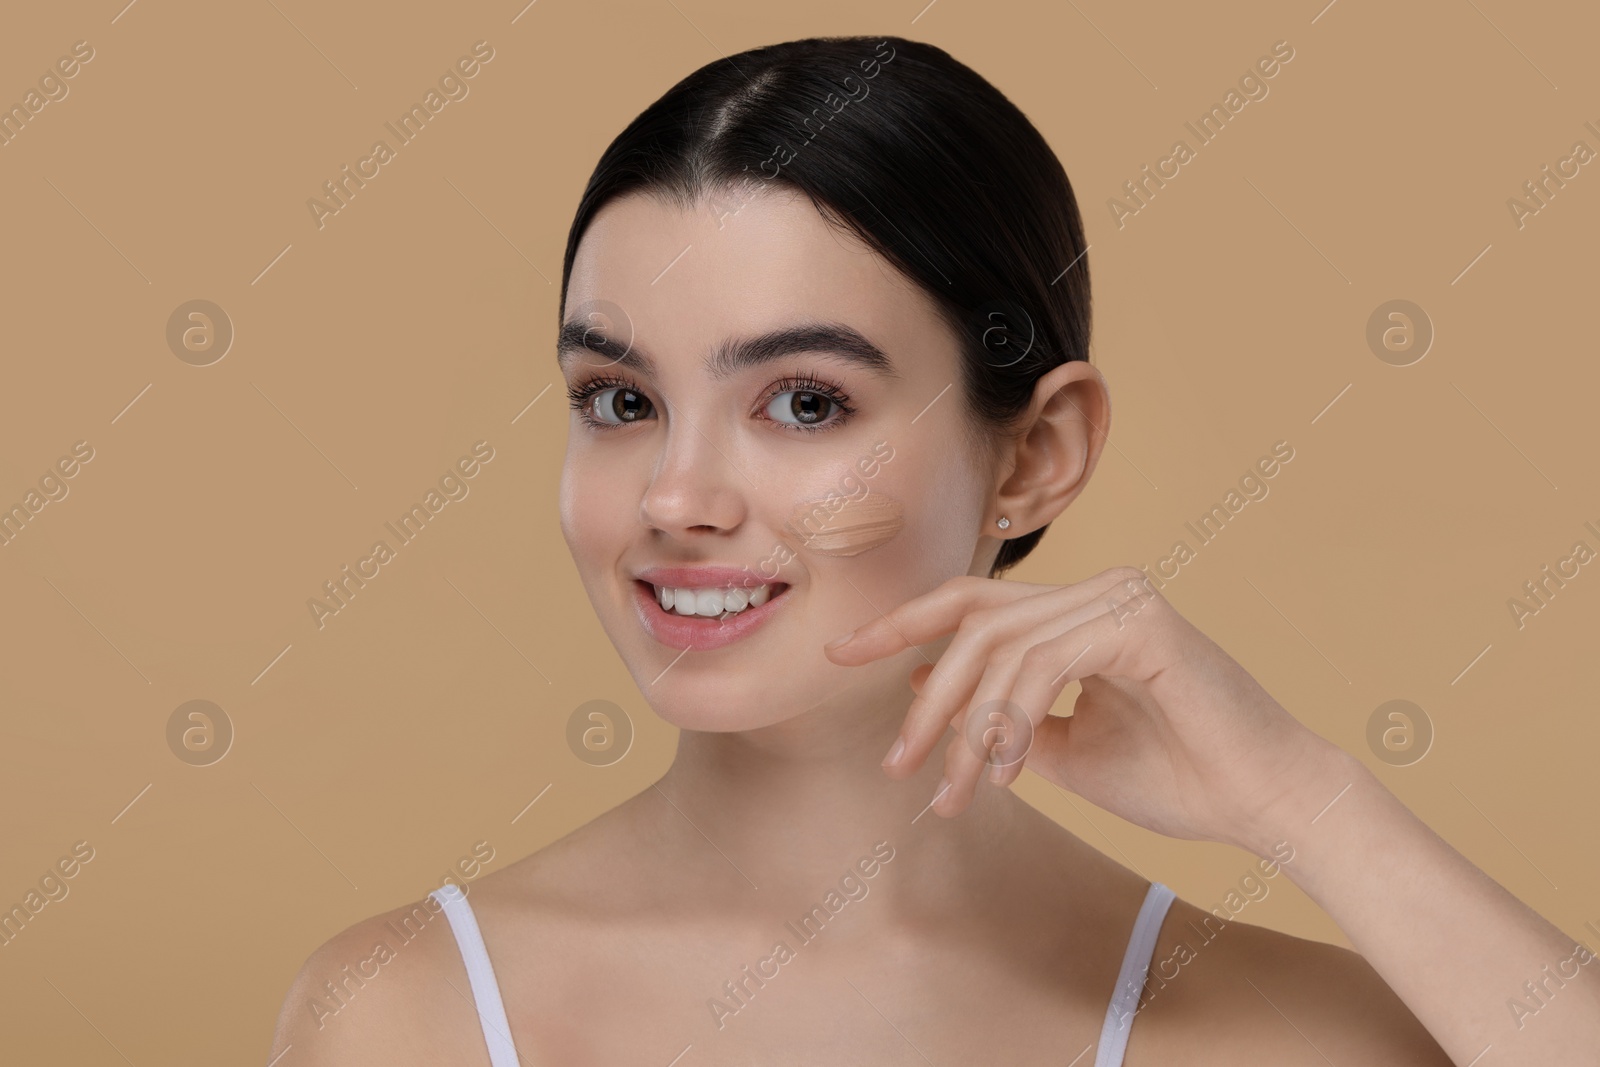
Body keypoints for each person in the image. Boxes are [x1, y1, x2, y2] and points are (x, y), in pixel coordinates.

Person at [270, 35, 1599, 1065]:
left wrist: (1305, 804)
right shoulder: (406, 1013)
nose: (676, 497)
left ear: (1035, 454)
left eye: (803, 401)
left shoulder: (1287, 1029)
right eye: (620, 401)